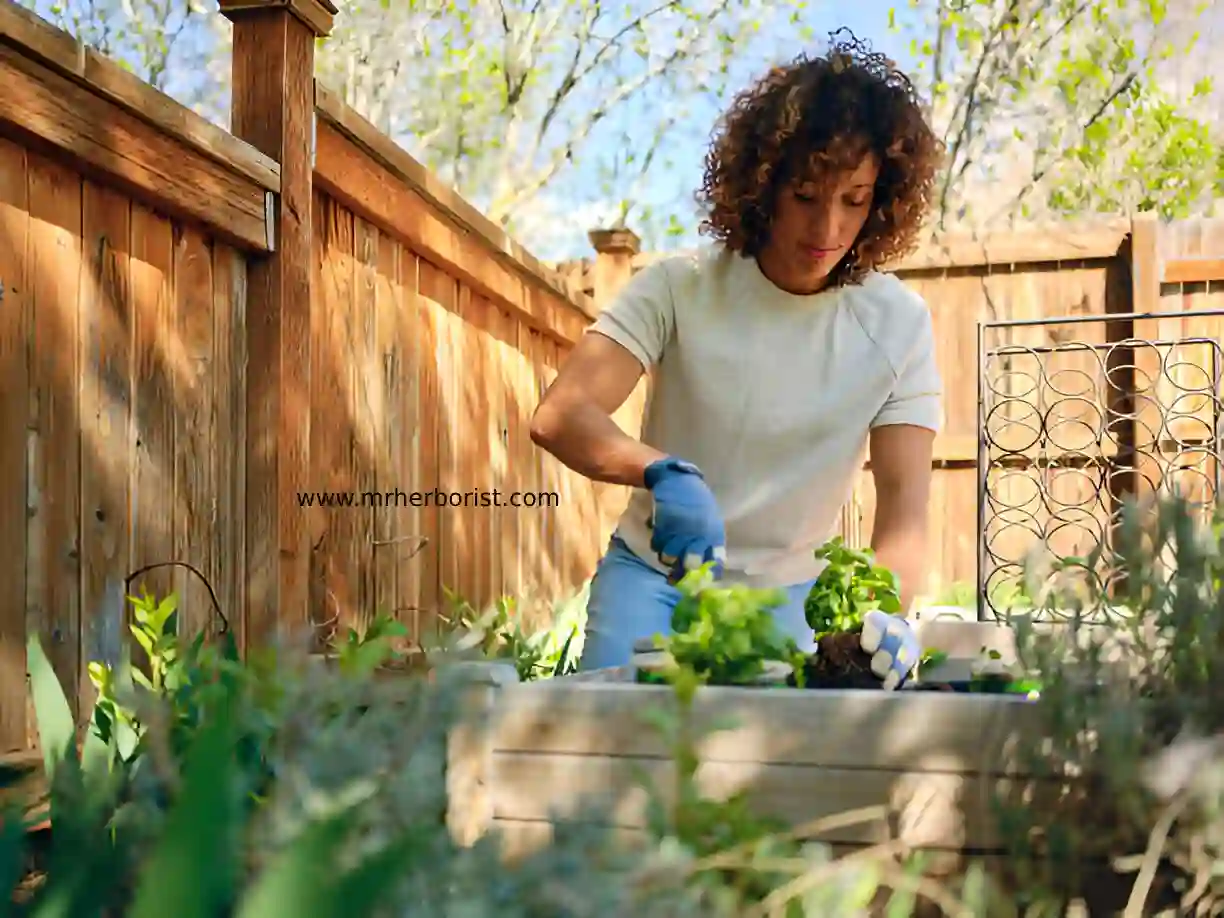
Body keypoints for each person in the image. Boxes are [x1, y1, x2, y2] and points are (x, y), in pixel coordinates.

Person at [530, 30, 944, 676]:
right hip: (653, 580)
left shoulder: (897, 326)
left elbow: (903, 505)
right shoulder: (680, 286)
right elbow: (560, 415)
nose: (828, 227)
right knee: (615, 757)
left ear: (882, 199)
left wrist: (888, 612)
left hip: (785, 602)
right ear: (763, 183)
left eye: (853, 201)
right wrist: (660, 471)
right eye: (805, 196)